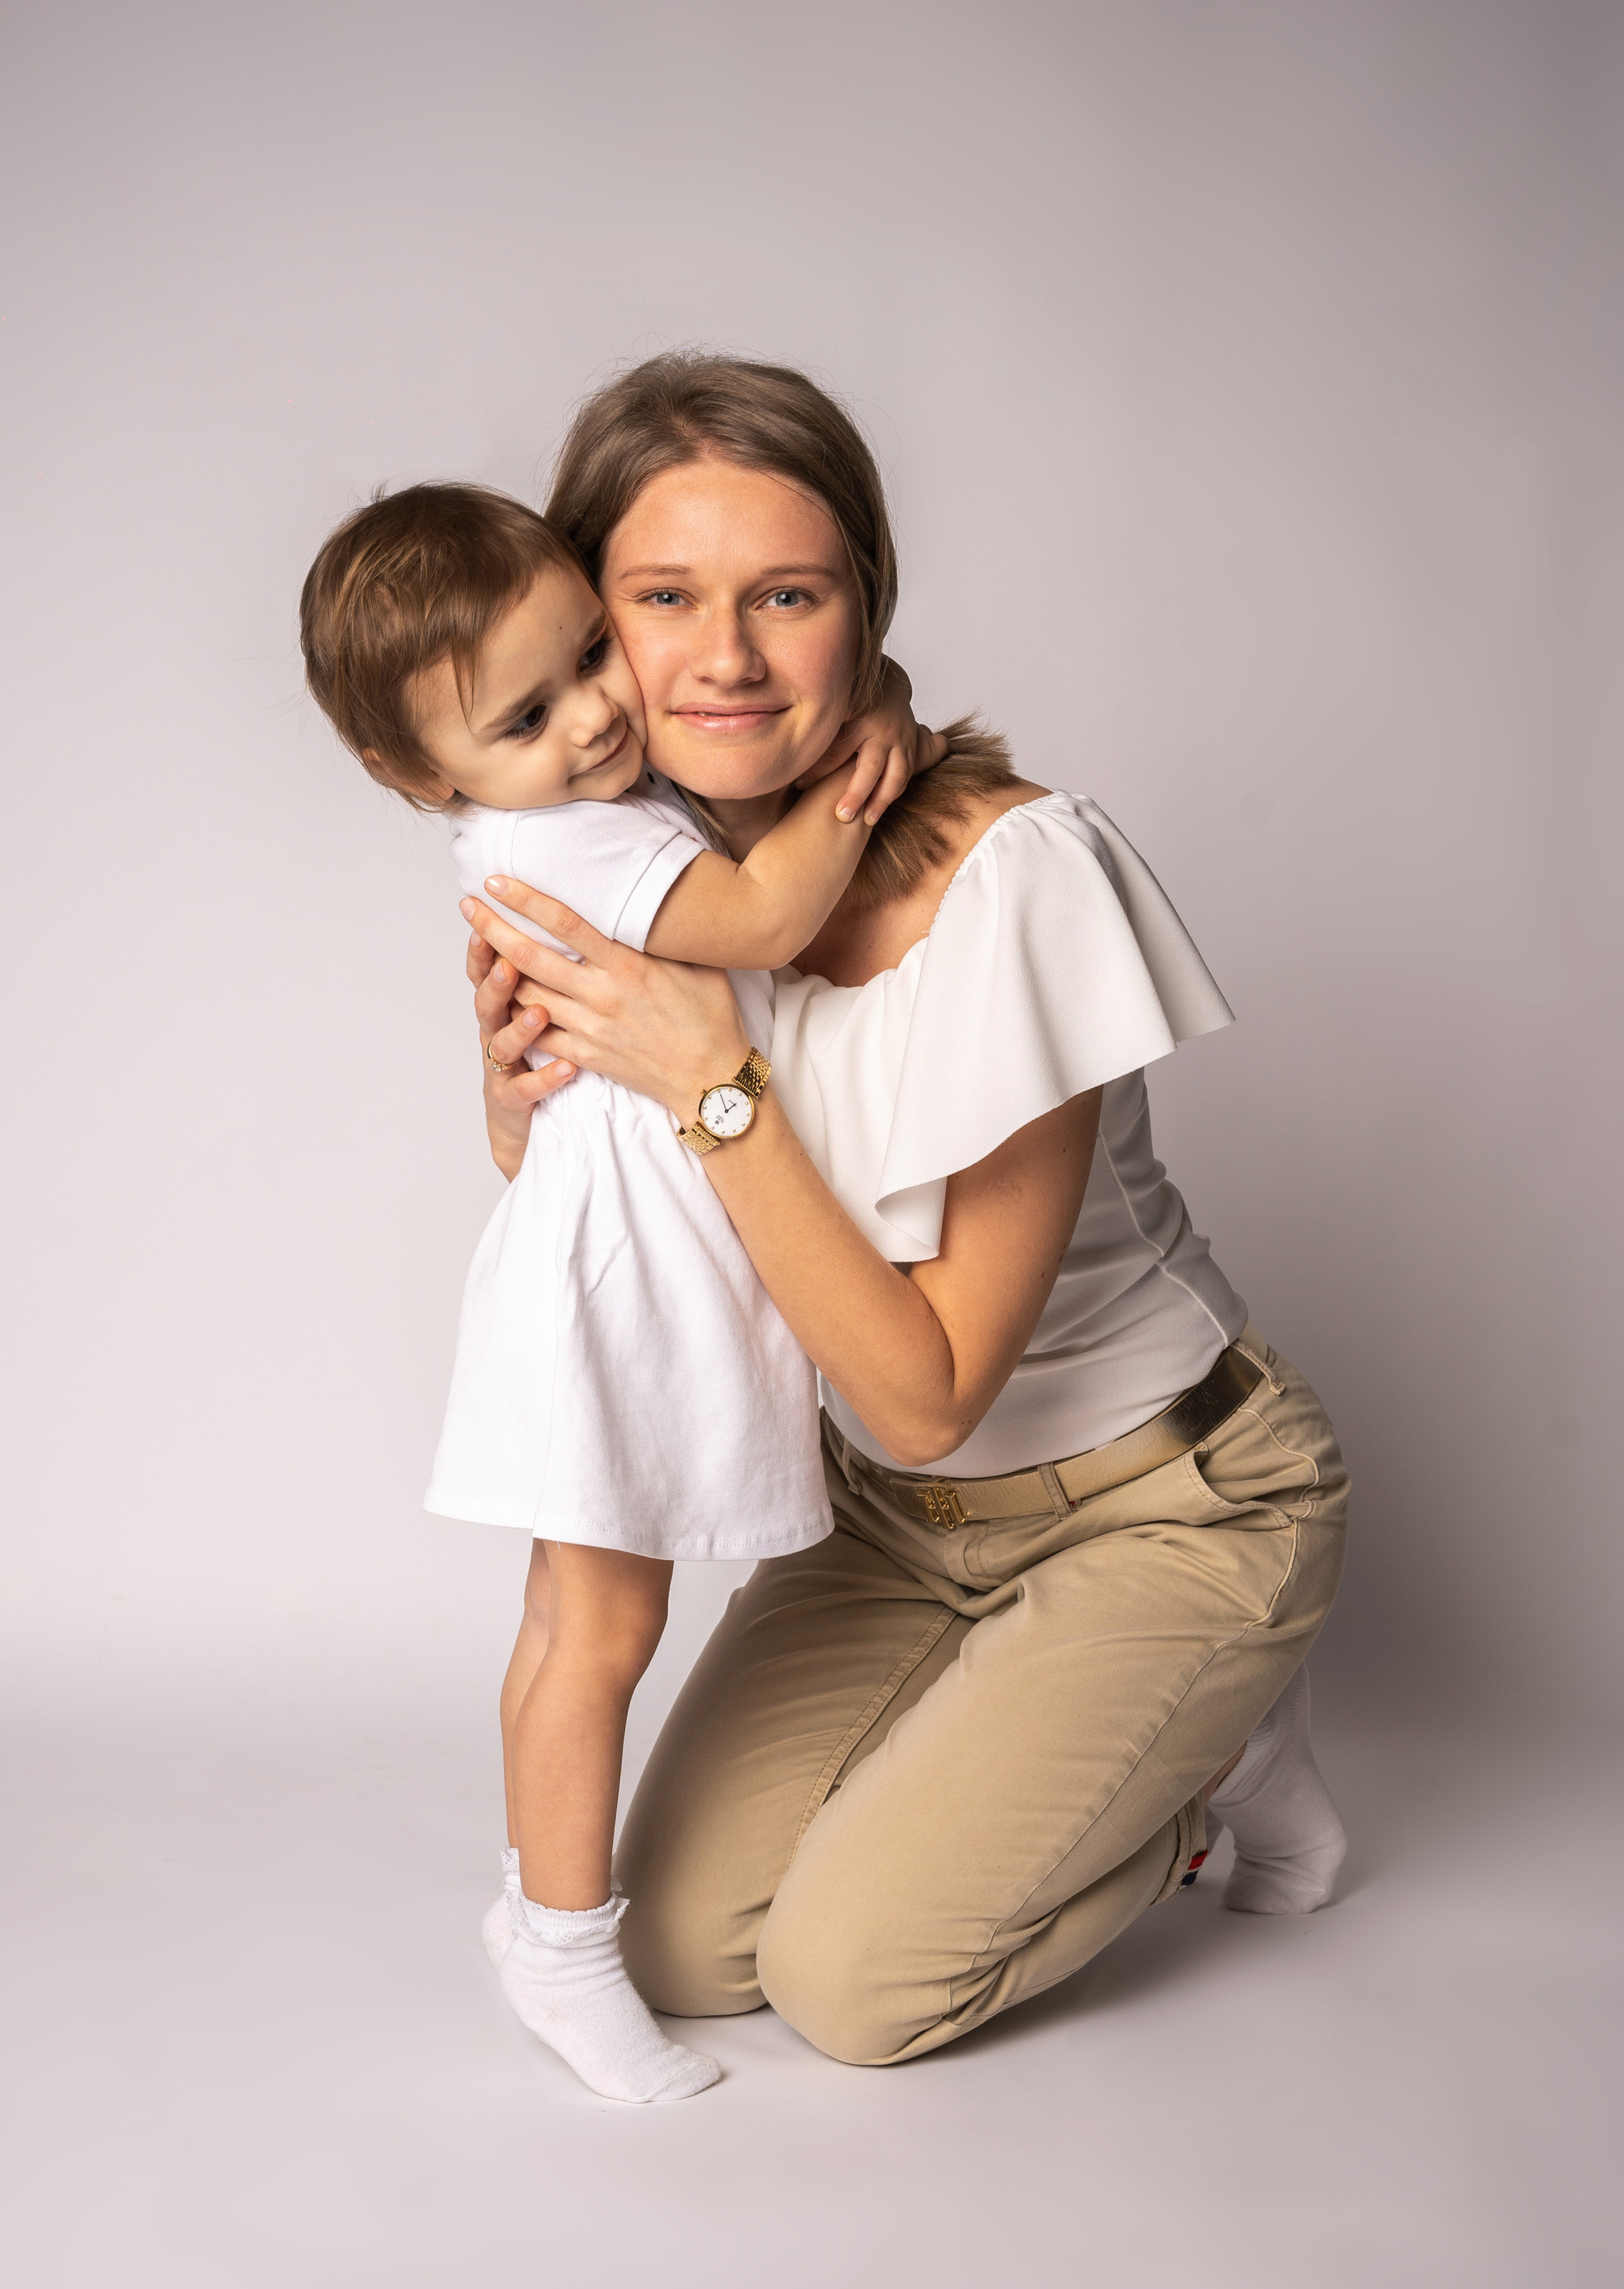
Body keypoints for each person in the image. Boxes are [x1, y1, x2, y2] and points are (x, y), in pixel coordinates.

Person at [461, 351, 1351, 2070]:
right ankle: (1106, 1735)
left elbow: (927, 1386)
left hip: (1164, 1497)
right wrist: (519, 1104)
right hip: (891, 1520)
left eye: (785, 595)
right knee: (696, 1951)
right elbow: (582, 1205)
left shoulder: (1018, 876)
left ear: (861, 611)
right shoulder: (630, 874)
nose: (723, 657)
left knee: (857, 1990)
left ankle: (1204, 1766)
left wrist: (710, 1083)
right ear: (589, 629)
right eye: (662, 598)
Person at [297, 480, 939, 2102]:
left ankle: (550, 1926)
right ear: (416, 776)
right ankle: (561, 1946)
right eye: (529, 711)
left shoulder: (573, 788)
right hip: (607, 1266)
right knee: (597, 1623)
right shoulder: (557, 829)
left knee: (586, 1617)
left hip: (620, 1231)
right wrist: (869, 764)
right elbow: (770, 914)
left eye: (590, 650)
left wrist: (883, 688)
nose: (597, 713)